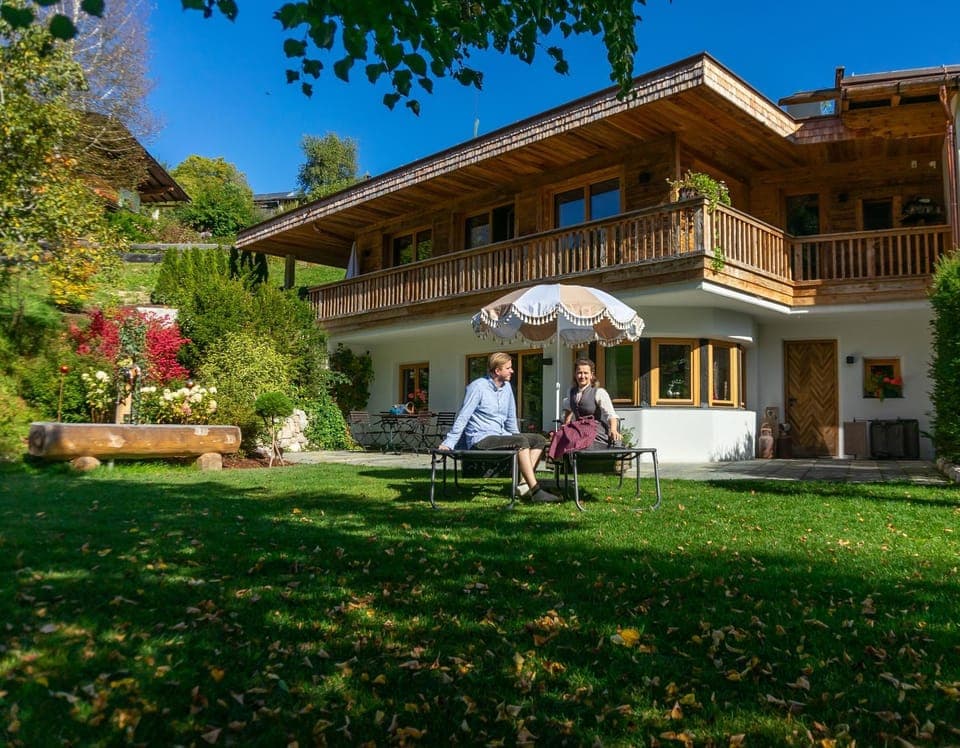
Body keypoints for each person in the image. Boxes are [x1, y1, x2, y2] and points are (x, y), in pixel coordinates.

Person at [439, 351, 560, 503]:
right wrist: (449, 442)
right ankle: (536, 491)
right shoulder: (477, 387)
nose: (512, 371)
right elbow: (464, 415)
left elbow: (510, 418)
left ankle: (523, 485)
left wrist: (518, 438)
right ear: (497, 371)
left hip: (499, 435)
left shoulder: (507, 387)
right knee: (520, 443)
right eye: (508, 368)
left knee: (538, 440)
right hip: (480, 439)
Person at [561, 358, 622, 448]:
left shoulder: (599, 392)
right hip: (578, 428)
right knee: (561, 437)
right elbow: (568, 408)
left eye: (586, 373)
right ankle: (566, 461)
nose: (582, 376)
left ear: (591, 375)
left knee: (577, 438)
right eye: (579, 373)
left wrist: (613, 429)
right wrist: (566, 424)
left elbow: (611, 414)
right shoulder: (571, 391)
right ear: (575, 374)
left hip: (594, 430)